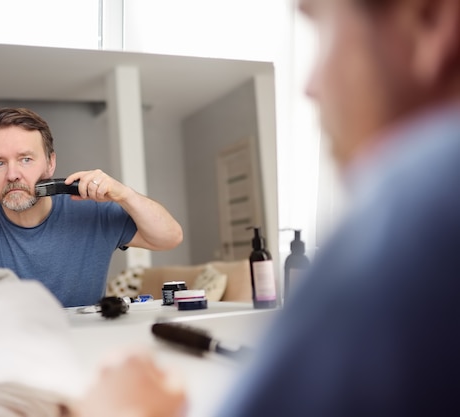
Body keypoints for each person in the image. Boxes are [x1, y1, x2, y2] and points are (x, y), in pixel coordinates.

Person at [76, 0, 460, 415]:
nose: (309, 86)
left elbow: (169, 236)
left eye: (325, 30)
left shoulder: (423, 199)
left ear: (429, 20)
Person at [0, 107, 183, 307]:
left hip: (81, 349)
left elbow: (169, 237)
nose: (12, 174)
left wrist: (124, 195)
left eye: (26, 159)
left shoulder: (91, 210)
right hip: (3, 352)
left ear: (50, 163)